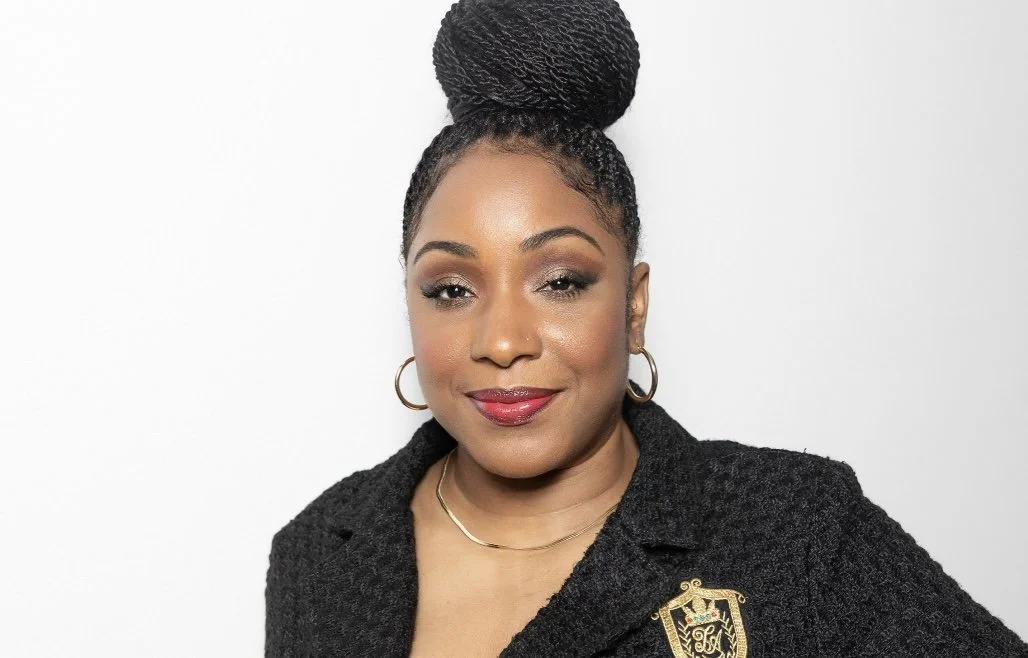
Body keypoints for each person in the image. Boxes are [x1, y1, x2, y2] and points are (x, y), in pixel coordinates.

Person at [264, 1, 1028, 656]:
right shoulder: (320, 555)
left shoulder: (795, 529)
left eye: (560, 282)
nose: (502, 341)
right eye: (452, 288)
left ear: (633, 306)